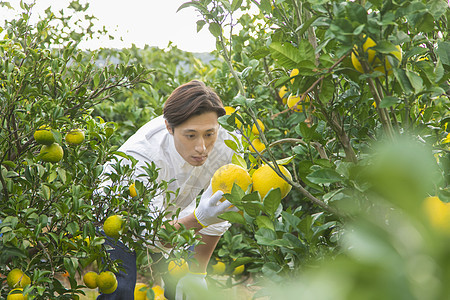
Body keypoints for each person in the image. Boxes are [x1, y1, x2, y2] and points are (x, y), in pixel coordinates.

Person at [98, 80, 238, 299]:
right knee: (120, 290)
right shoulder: (144, 157)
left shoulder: (227, 145)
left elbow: (218, 214)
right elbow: (150, 237)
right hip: (119, 217)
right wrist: (200, 218)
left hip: (175, 209)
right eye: (190, 136)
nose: (202, 147)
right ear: (169, 128)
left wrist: (197, 274)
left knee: (184, 288)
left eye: (209, 134)